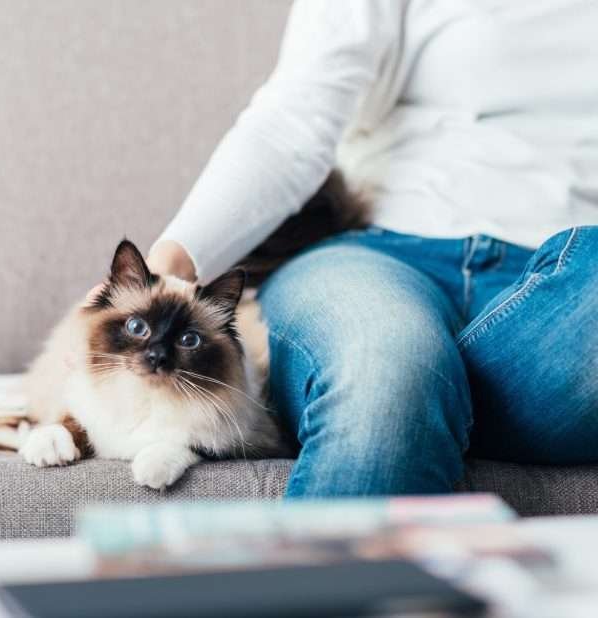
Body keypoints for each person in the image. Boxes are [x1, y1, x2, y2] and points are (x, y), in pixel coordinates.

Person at [145, 1, 598, 497]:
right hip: (378, 256)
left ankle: (431, 407)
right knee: (386, 365)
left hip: (570, 314)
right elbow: (294, 120)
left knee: (410, 382)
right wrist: (170, 266)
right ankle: (415, 403)